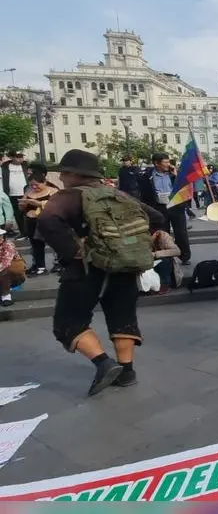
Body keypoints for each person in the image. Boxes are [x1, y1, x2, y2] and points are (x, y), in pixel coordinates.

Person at [37, 149, 163, 396]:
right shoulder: (119, 194)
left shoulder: (68, 196)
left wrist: (74, 251)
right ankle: (127, 372)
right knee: (122, 317)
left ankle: (103, 363)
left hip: (86, 269)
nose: (61, 178)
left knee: (68, 321)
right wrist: (132, 244)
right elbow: (157, 217)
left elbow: (47, 222)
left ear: (73, 174)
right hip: (125, 265)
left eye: (63, 174)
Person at [137, 153, 191, 265]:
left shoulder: (174, 174)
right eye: (165, 162)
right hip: (159, 207)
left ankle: (184, 256)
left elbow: (184, 188)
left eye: (169, 162)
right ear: (156, 163)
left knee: (181, 232)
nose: (168, 164)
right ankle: (165, 257)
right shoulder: (147, 176)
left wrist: (176, 175)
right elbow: (143, 193)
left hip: (175, 206)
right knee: (162, 232)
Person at [20, 172, 59, 275]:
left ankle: (59, 263)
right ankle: (39, 266)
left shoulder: (53, 191)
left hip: (47, 220)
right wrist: (23, 204)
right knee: (35, 244)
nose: (34, 187)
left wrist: (38, 203)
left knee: (55, 242)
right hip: (31, 221)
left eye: (36, 184)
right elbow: (22, 207)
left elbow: (57, 206)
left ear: (44, 182)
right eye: (31, 185)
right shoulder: (29, 192)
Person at [150, 219, 182, 292]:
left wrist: (155, 254)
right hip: (148, 261)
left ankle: (164, 284)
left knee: (165, 260)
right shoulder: (139, 237)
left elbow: (177, 251)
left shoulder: (163, 236)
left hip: (159, 261)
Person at [1, 151, 28, 236]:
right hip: (11, 194)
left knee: (27, 213)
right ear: (12, 157)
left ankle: (28, 232)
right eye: (18, 157)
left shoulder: (25, 166)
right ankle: (22, 232)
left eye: (22, 157)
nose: (21, 159)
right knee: (16, 214)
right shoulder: (5, 166)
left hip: (25, 193)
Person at [0, 227, 25, 307]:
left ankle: (6, 297)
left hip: (14, 275)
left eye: (1, 236)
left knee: (5, 270)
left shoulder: (8, 245)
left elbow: (6, 263)